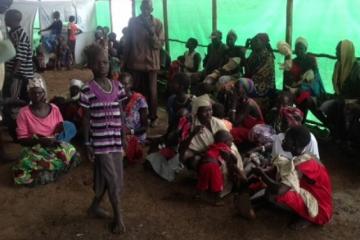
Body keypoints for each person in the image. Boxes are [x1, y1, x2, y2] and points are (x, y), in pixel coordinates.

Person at [80, 44, 127, 234]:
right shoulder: (87, 89)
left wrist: (123, 135)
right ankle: (119, 218)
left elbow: (121, 112)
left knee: (108, 178)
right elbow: (85, 118)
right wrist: (86, 143)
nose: (103, 66)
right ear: (91, 65)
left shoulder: (118, 86)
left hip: (115, 140)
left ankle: (94, 207)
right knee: (113, 179)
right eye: (98, 63)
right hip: (99, 143)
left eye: (106, 62)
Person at [250, 126, 332, 229]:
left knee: (275, 194)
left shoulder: (302, 166)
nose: (283, 140)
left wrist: (261, 174)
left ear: (295, 144)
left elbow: (280, 190)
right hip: (312, 194)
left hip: (321, 210)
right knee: (279, 172)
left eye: (286, 139)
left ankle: (308, 217)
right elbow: (286, 170)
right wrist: (268, 171)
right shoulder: (306, 155)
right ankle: (301, 210)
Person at [12, 74, 79, 186]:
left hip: (54, 144)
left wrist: (60, 131)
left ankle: (48, 171)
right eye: (33, 93)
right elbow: (22, 140)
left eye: (39, 92)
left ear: (44, 93)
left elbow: (60, 126)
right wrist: (40, 141)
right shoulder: (24, 113)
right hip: (35, 148)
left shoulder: (54, 108)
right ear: (29, 94)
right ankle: (53, 169)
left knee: (71, 151)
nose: (37, 96)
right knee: (23, 169)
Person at [179, 94, 244, 197]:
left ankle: (233, 182)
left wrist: (227, 152)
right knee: (206, 162)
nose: (209, 114)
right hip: (208, 155)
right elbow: (185, 150)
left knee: (232, 158)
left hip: (224, 150)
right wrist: (192, 135)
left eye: (210, 110)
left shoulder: (217, 122)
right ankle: (216, 187)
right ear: (197, 113)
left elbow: (228, 140)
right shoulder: (192, 127)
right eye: (205, 111)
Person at [124, 0, 164, 127]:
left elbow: (159, 45)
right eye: (144, 7)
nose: (146, 10)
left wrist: (151, 32)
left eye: (149, 8)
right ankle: (135, 115)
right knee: (136, 89)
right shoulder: (133, 22)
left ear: (152, 9)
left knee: (152, 92)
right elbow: (128, 42)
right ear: (140, 8)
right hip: (135, 62)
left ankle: (153, 117)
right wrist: (124, 60)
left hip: (151, 64)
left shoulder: (157, 23)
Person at [319, 40, 360, 142]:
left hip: (353, 101)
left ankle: (340, 136)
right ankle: (335, 133)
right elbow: (337, 87)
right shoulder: (338, 65)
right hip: (340, 98)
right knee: (322, 103)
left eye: (338, 51)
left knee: (339, 106)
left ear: (345, 52)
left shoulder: (357, 68)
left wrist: (355, 102)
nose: (336, 53)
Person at [3, 9, 33, 141]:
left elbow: (19, 59)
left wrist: (11, 75)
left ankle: (18, 135)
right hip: (16, 76)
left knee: (14, 105)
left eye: (6, 17)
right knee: (11, 104)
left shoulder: (19, 35)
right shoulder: (13, 33)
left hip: (18, 77)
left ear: (12, 20)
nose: (4, 20)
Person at [196, 130, 246, 205]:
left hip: (204, 164)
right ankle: (216, 201)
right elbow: (231, 159)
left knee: (202, 181)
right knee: (217, 185)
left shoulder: (212, 146)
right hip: (213, 166)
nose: (232, 143)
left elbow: (205, 154)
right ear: (225, 142)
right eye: (231, 141)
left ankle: (198, 195)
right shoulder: (225, 147)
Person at [284, 37, 325, 119]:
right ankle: (295, 121)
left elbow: (314, 78)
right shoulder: (293, 62)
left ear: (305, 49)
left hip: (311, 91)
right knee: (286, 97)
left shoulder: (311, 60)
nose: (298, 50)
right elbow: (289, 80)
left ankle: (299, 121)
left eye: (300, 48)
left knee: (304, 99)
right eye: (296, 48)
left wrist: (301, 84)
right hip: (298, 90)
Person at [121, 73, 148, 164]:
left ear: (131, 84)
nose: (122, 87)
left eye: (126, 84)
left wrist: (129, 132)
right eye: (120, 84)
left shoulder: (139, 100)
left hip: (136, 136)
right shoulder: (117, 99)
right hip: (122, 134)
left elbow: (145, 127)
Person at [229, 78, 264, 146]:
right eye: (235, 86)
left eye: (237, 87)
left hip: (256, 131)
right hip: (247, 127)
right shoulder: (241, 100)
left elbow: (234, 122)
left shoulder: (249, 103)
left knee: (231, 132)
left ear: (244, 90)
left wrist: (234, 102)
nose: (234, 89)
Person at [245, 33, 275, 102]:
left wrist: (246, 79)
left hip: (264, 87)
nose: (253, 43)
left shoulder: (268, 56)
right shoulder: (254, 53)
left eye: (256, 41)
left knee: (241, 85)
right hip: (254, 82)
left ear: (263, 43)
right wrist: (246, 48)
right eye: (253, 41)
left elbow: (258, 75)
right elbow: (246, 68)